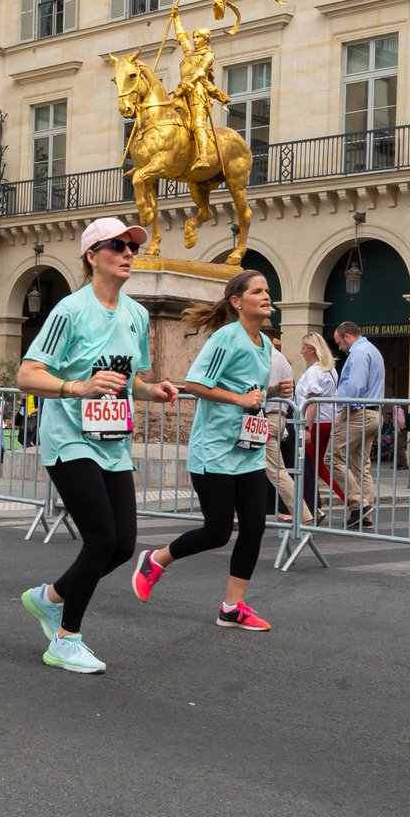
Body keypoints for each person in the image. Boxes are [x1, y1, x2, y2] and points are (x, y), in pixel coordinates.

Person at [16, 217, 178, 674]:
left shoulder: (137, 315)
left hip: (112, 440)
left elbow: (131, 381)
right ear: (92, 255)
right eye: (117, 246)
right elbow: (27, 375)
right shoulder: (70, 310)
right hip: (69, 437)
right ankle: (65, 638)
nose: (129, 253)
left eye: (132, 247)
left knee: (124, 545)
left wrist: (154, 390)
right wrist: (76, 388)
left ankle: (49, 598)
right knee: (100, 538)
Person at [131, 269, 284, 632]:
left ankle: (232, 606)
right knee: (217, 531)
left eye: (267, 291)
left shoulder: (265, 343)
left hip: (247, 448)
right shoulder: (224, 339)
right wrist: (240, 398)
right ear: (237, 301)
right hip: (214, 451)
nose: (267, 297)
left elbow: (249, 393)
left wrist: (272, 393)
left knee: (255, 526)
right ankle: (155, 560)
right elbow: (196, 384)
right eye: (258, 291)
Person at [331, 320, 386, 529]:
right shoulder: (372, 350)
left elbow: (355, 385)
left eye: (338, 343)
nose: (339, 348)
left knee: (332, 456)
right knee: (360, 465)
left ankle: (359, 505)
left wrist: (344, 408)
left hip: (358, 413)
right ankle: (365, 514)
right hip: (373, 413)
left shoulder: (359, 353)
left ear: (347, 336)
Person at [170, 6, 231, 177]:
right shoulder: (189, 54)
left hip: (197, 92)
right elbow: (182, 37)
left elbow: (200, 72)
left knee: (197, 123)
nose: (195, 40)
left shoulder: (208, 55)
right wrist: (176, 18)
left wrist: (186, 84)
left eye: (198, 37)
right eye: (195, 37)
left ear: (206, 39)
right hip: (183, 91)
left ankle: (203, 156)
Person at [294, 332, 345, 518]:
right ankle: (315, 506)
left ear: (312, 350)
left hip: (314, 423)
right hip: (327, 421)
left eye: (303, 348)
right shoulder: (330, 369)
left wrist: (307, 427)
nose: (301, 352)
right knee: (314, 466)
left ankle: (353, 501)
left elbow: (312, 401)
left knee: (310, 466)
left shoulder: (314, 371)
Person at [263, 337, 310, 524]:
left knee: (276, 470)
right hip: (279, 415)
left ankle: (304, 514)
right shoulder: (283, 360)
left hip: (265, 416)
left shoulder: (264, 357)